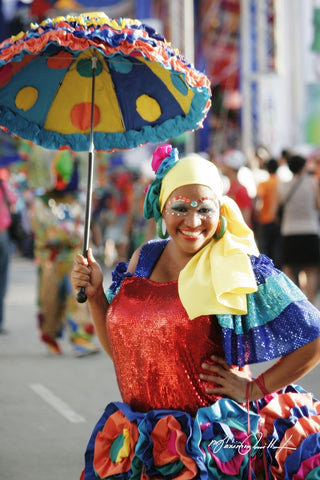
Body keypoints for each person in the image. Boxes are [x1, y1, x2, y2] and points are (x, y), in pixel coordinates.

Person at [72, 145, 320, 480]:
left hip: (212, 445)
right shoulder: (143, 259)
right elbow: (121, 352)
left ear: (221, 210)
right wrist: (96, 294)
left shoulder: (237, 266)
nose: (193, 221)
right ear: (163, 208)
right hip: (145, 440)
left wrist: (255, 389)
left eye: (205, 209)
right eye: (180, 207)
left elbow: (313, 338)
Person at [31, 152, 100, 356]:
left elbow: (81, 226)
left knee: (77, 295)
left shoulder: (76, 199)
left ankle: (81, 339)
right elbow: (41, 229)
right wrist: (64, 232)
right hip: (50, 260)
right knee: (50, 302)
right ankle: (50, 334)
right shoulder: (41, 201)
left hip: (72, 257)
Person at [278, 154, 320, 304]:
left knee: (289, 269)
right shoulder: (313, 182)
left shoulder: (282, 185)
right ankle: (310, 304)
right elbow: (318, 205)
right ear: (303, 167)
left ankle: (291, 304)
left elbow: (278, 209)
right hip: (310, 230)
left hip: (289, 231)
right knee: (309, 270)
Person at [255, 158, 281, 268]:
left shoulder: (263, 184)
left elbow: (258, 203)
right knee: (278, 251)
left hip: (265, 220)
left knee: (265, 252)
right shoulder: (281, 183)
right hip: (278, 221)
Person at [0, 168, 17, 334]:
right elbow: (14, 201)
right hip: (2, 234)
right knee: (2, 279)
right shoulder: (3, 181)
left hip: (3, 235)